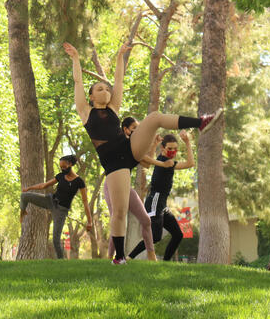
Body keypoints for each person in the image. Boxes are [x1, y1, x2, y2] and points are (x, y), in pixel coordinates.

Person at [63, 41, 222, 264]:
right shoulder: (85, 111)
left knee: (155, 117)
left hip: (129, 149)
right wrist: (76, 59)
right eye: (100, 89)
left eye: (107, 89)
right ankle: (119, 257)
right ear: (90, 97)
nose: (106, 90)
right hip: (115, 164)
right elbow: (78, 81)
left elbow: (119, 80)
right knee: (118, 213)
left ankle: (201, 122)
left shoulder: (113, 108)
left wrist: (120, 56)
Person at [104, 117, 174, 262]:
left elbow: (146, 163)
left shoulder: (135, 145)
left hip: (126, 187)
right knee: (117, 220)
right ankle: (110, 258)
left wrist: (154, 145)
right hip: (112, 185)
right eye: (134, 128)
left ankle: (151, 256)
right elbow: (148, 161)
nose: (137, 131)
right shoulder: (121, 142)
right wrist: (162, 164)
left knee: (146, 220)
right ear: (125, 129)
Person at [127, 132, 195, 261]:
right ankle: (130, 257)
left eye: (175, 149)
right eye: (170, 148)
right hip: (155, 200)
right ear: (163, 148)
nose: (173, 151)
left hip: (162, 204)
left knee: (178, 234)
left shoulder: (161, 159)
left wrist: (154, 144)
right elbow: (190, 163)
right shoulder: (165, 162)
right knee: (155, 236)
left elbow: (150, 159)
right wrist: (186, 142)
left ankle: (166, 262)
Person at [20, 155, 93, 259]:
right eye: (61, 167)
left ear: (70, 164)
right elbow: (44, 185)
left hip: (61, 210)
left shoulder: (79, 182)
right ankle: (23, 212)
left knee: (56, 240)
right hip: (50, 200)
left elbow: (85, 202)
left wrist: (90, 221)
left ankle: (61, 261)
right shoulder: (60, 176)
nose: (62, 169)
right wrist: (29, 188)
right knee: (24, 196)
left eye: (64, 166)